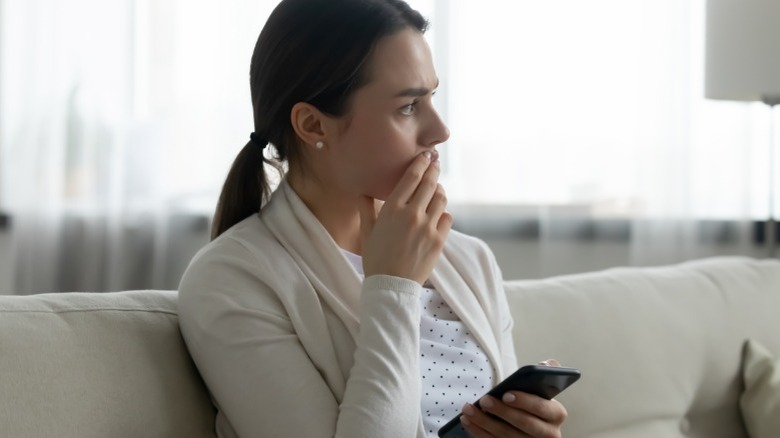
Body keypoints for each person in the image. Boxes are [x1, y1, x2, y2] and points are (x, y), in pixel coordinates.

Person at [177, 0, 569, 436]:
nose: (440, 130)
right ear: (313, 125)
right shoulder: (231, 281)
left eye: (432, 97)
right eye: (408, 107)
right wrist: (392, 288)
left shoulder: (470, 260)